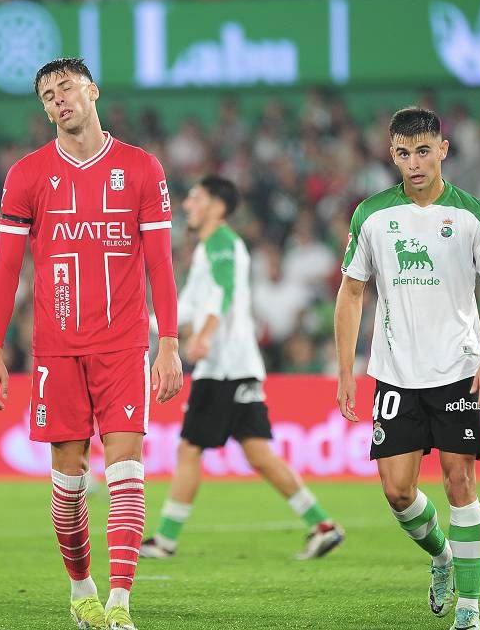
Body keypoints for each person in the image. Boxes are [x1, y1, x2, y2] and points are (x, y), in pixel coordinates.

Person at [0, 57, 182, 630]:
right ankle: (82, 590)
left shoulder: (141, 168)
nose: (58, 99)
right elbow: (5, 272)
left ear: (93, 90)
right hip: (56, 350)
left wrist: (168, 341)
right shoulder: (26, 175)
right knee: (69, 483)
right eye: (48, 94)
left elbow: (161, 266)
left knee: (126, 469)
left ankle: (119, 604)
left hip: (122, 347)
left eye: (66, 87)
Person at [334, 107, 480, 630]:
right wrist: (346, 369)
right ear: (391, 154)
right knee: (397, 490)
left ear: (442, 149)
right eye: (401, 152)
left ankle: (469, 609)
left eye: (421, 150)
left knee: (460, 479)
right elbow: (351, 291)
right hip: (394, 372)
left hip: (458, 369)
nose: (412, 163)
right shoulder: (370, 215)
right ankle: (440, 557)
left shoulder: (472, 214)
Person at [139, 176, 344, 560]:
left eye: (196, 198)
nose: (187, 205)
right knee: (257, 453)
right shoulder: (211, 248)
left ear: (217, 206)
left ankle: (165, 539)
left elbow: (224, 293)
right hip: (237, 366)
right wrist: (145, 320)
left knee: (189, 448)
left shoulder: (221, 244)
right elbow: (188, 308)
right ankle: (322, 525)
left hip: (223, 368)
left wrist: (205, 336)